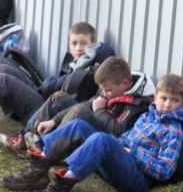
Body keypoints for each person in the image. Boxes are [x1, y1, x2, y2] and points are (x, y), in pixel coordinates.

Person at [1, 74, 183, 192]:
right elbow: (126, 139)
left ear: (182, 102)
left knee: (102, 139)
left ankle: (61, 189)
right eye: (164, 99)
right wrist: (120, 146)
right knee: (79, 125)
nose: (167, 105)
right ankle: (38, 167)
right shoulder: (147, 116)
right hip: (124, 161)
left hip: (138, 179)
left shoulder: (174, 131)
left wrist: (131, 151)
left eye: (174, 100)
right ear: (155, 98)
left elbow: (165, 170)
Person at [22, 56, 155, 149]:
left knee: (80, 112)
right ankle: (23, 138)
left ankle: (45, 147)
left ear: (125, 83)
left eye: (107, 90)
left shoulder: (140, 103)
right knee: (59, 98)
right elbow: (88, 103)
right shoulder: (112, 86)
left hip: (106, 140)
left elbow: (118, 132)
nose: (103, 93)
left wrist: (99, 111)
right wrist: (54, 121)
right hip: (99, 122)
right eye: (101, 89)